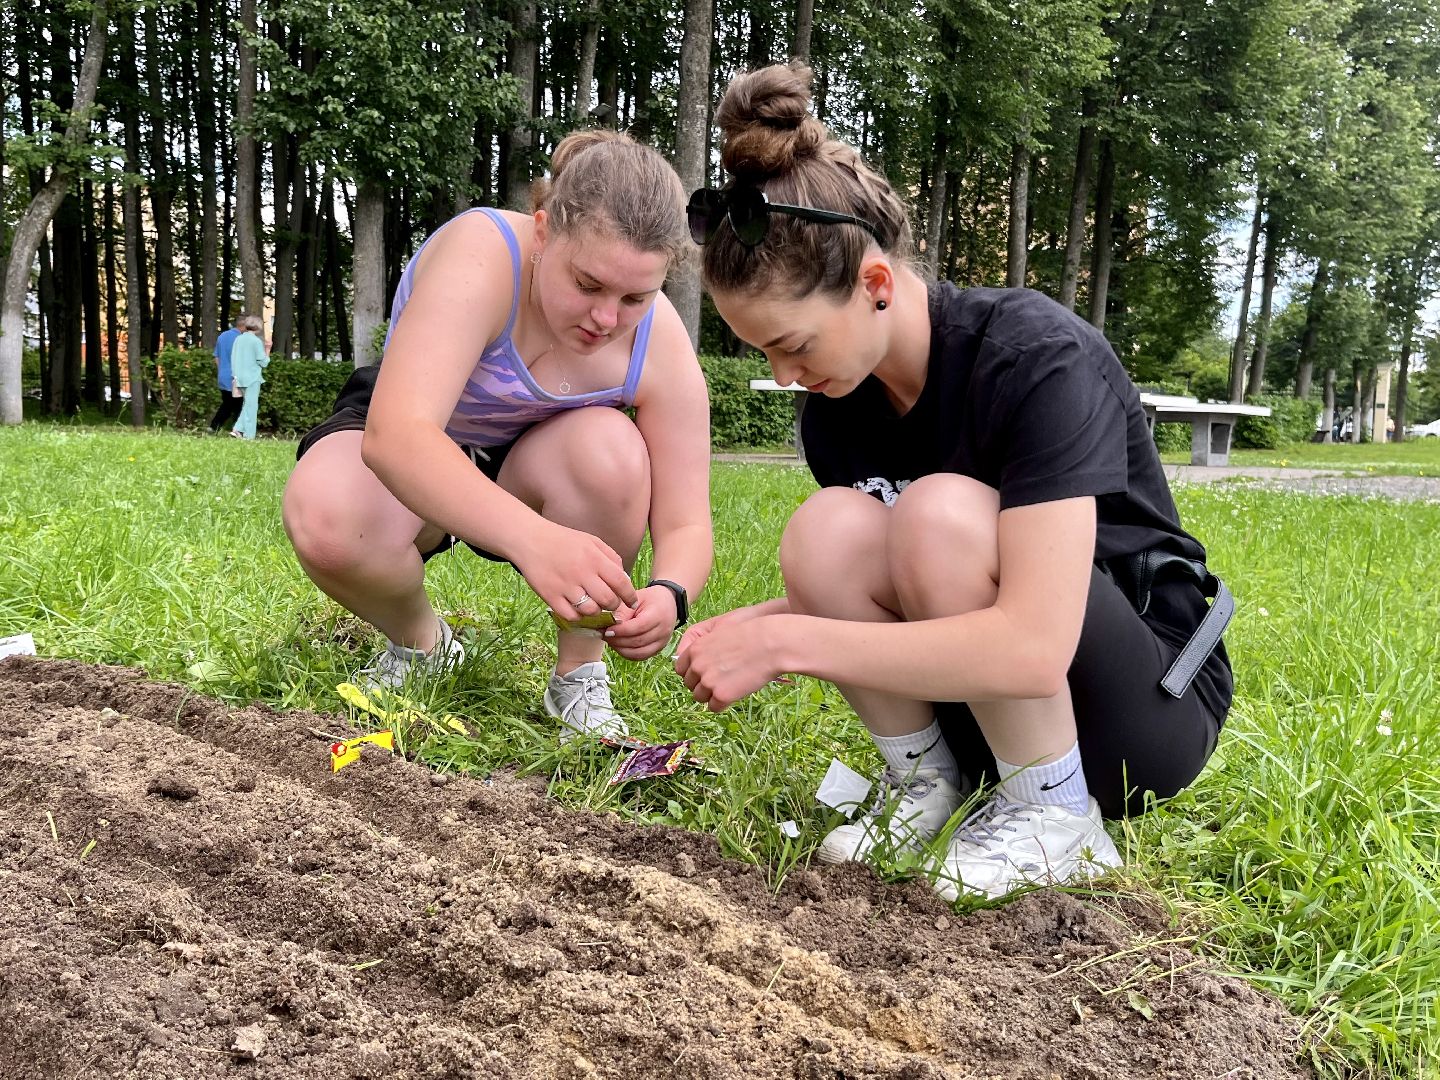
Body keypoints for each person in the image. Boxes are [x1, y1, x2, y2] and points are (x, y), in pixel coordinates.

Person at [675, 63, 1233, 901]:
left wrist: (786, 644)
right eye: (763, 354)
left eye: (793, 344)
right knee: (823, 531)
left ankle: (1056, 818)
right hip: (982, 708)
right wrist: (752, 626)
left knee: (936, 511)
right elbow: (894, 588)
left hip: (1140, 708)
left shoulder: (1034, 357)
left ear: (874, 286)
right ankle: (930, 787)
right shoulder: (838, 404)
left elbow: (1034, 639)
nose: (785, 376)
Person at [282, 130, 713, 744]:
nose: (607, 319)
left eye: (636, 297)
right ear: (543, 231)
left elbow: (688, 524)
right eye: (587, 285)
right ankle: (422, 644)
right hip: (418, 443)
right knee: (329, 518)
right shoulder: (482, 253)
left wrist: (671, 593)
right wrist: (535, 541)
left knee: (611, 452)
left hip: (531, 461)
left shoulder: (659, 343)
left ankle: (579, 678)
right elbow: (397, 436)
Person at [229, 314, 270, 439]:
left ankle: (237, 429)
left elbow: (233, 357)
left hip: (239, 377)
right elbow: (263, 362)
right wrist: (268, 349)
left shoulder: (238, 339)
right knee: (251, 406)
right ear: (258, 327)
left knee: (247, 404)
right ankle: (249, 436)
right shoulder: (256, 341)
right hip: (252, 377)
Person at [209, 315, 243, 433]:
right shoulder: (242, 339)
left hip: (223, 377)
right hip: (236, 377)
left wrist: (222, 370)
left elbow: (216, 357)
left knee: (228, 404)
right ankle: (237, 430)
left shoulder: (222, 336)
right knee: (238, 406)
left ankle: (214, 427)